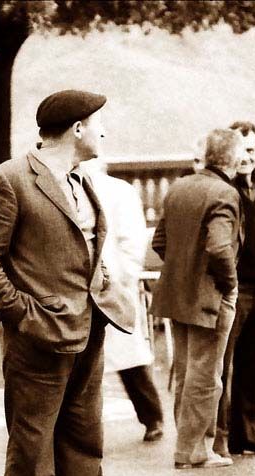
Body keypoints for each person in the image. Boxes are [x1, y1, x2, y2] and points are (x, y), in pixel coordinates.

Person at [0, 90, 136, 476]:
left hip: (88, 328)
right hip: (39, 336)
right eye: (98, 123)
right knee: (31, 445)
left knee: (85, 440)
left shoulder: (82, 180)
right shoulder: (11, 179)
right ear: (77, 128)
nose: (104, 131)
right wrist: (23, 314)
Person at [150, 128, 242, 469]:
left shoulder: (179, 187)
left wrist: (182, 268)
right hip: (209, 297)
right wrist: (229, 283)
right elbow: (219, 246)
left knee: (186, 372)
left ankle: (186, 445)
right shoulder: (224, 193)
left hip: (176, 294)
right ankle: (193, 449)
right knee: (206, 375)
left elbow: (159, 242)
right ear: (231, 159)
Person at [213, 121, 255, 458]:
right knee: (223, 366)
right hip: (236, 288)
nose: (247, 157)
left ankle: (251, 435)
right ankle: (222, 436)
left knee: (252, 365)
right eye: (241, 150)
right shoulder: (223, 189)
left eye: (252, 149)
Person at [81, 158, 164, 442]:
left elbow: (133, 239)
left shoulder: (118, 191)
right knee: (92, 358)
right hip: (85, 284)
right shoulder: (71, 187)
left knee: (129, 357)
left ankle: (152, 415)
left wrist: (125, 274)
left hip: (112, 282)